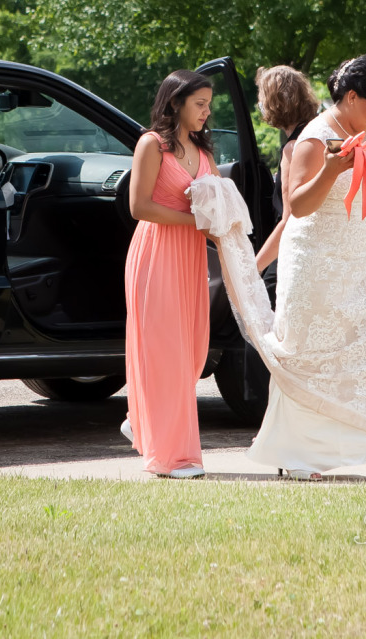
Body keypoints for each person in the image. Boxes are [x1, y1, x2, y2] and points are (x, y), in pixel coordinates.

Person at [245, 54, 366, 481]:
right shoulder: (315, 137)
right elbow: (298, 207)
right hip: (318, 264)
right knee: (315, 357)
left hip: (364, 261)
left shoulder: (364, 131)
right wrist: (328, 170)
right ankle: (299, 454)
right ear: (350, 96)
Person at [121, 69, 219, 479]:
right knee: (168, 354)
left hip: (192, 257)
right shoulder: (152, 145)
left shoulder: (204, 149)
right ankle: (172, 457)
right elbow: (139, 207)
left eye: (209, 104)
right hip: (158, 253)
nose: (206, 112)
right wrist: (193, 221)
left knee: (193, 352)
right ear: (176, 102)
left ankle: (141, 420)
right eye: (199, 104)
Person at [253, 65, 320, 277]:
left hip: (297, 249)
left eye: (262, 97)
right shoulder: (317, 134)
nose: (260, 104)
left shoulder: (293, 148)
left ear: (275, 101)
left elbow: (289, 219)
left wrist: (254, 268)